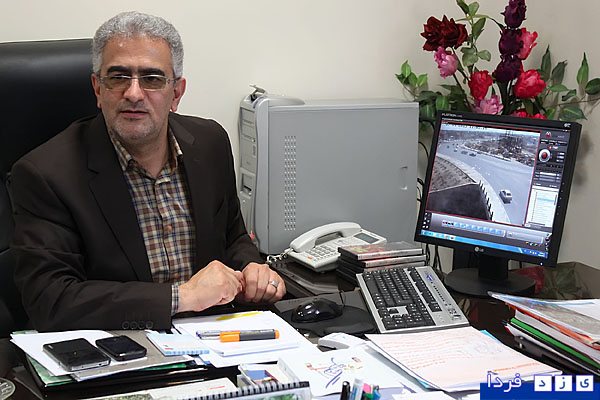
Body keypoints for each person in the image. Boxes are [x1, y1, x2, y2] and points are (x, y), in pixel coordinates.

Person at [10, 11, 285, 331]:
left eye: (152, 79)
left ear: (176, 93)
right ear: (98, 89)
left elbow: (232, 237)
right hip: (118, 345)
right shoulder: (46, 174)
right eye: (118, 77)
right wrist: (182, 297)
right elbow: (50, 300)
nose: (134, 93)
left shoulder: (209, 143)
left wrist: (252, 269)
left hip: (212, 337)